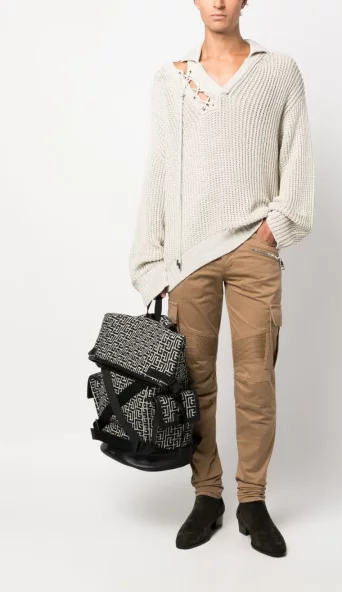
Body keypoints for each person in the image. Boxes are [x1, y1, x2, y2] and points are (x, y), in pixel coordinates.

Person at [129, 0, 314, 558]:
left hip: (255, 251)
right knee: (193, 384)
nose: (218, 2)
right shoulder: (173, 80)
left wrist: (273, 229)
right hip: (190, 258)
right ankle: (206, 495)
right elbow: (160, 169)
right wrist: (153, 259)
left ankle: (252, 501)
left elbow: (297, 157)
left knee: (256, 383)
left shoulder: (278, 70)